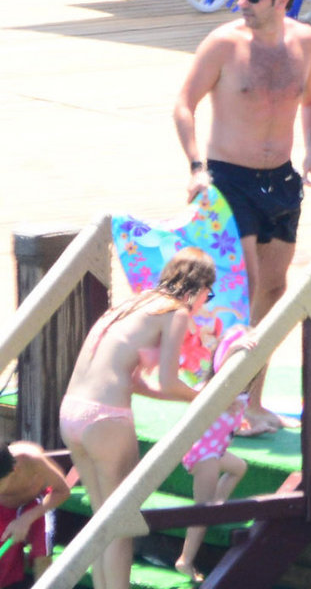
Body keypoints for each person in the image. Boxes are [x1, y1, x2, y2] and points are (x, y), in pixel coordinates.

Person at [174, 0, 311, 435]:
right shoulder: (223, 43)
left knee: (274, 290)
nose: (241, 2)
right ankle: (222, 396)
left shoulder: (306, 41)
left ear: (282, 1)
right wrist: (196, 168)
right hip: (228, 181)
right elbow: (183, 105)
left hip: (281, 181)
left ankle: (249, 400)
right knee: (245, 286)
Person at [59, 246, 216, 589]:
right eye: (209, 292)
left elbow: (136, 383)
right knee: (119, 525)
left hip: (72, 412)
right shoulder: (175, 312)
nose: (207, 300)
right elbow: (169, 382)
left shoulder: (133, 304)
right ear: (199, 287)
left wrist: (196, 397)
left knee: (101, 522)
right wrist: (208, 397)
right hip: (106, 420)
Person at [175, 324, 256, 582]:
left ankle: (217, 506)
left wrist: (247, 425)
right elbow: (220, 375)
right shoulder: (216, 389)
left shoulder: (239, 392)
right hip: (204, 455)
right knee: (201, 511)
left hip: (216, 451)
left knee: (239, 468)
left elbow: (230, 423)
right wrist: (232, 349)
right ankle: (185, 559)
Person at [0, 440, 70, 589]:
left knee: (42, 551)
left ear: (14, 470)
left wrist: (26, 519)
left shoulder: (31, 458)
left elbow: (63, 491)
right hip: (3, 510)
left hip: (37, 505)